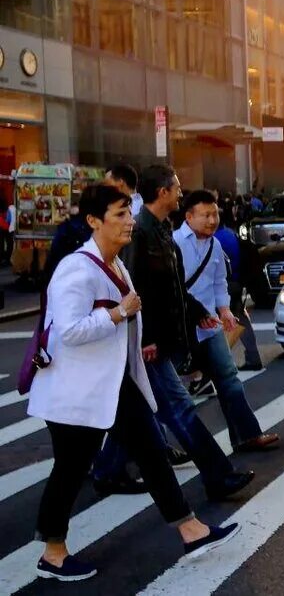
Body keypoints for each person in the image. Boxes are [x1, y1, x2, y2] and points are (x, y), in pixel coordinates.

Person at [28, 185, 239, 581]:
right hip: (76, 391)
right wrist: (118, 313)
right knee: (70, 471)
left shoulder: (115, 264)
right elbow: (67, 331)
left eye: (129, 213)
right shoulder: (76, 269)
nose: (128, 222)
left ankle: (191, 530)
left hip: (111, 384)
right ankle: (53, 554)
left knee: (152, 451)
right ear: (94, 221)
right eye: (120, 215)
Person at [93, 164, 254, 501]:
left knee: (140, 410)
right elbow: (134, 290)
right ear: (163, 192)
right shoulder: (140, 234)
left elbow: (175, 287)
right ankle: (218, 475)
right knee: (180, 408)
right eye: (177, 187)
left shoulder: (162, 230)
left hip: (160, 340)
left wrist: (198, 312)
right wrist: (147, 337)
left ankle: (107, 471)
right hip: (147, 343)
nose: (181, 192)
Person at [173, 190, 279, 451]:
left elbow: (219, 282)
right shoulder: (174, 244)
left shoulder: (215, 245)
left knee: (229, 379)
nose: (212, 220)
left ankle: (246, 436)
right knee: (164, 394)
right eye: (206, 215)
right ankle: (124, 458)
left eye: (215, 214)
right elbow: (171, 289)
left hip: (211, 329)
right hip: (181, 330)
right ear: (189, 217)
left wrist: (224, 309)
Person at [215, 213, 263, 371]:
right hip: (236, 282)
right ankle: (253, 356)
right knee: (240, 318)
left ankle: (222, 362)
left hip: (225, 285)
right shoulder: (230, 235)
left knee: (221, 322)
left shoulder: (215, 239)